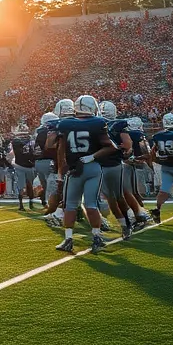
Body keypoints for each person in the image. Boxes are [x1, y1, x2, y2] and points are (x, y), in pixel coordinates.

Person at [55, 96, 117, 253]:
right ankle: (96, 237)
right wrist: (93, 156)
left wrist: (62, 169)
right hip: (92, 167)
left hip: (73, 169)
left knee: (69, 206)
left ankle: (68, 239)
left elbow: (60, 150)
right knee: (91, 204)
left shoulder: (64, 123)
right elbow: (111, 147)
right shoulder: (97, 123)